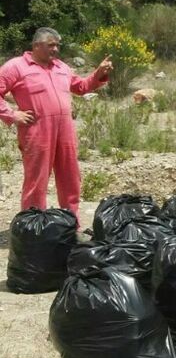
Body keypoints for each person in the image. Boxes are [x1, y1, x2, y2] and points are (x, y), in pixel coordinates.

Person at [0, 28, 113, 219]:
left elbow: (81, 87)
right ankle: (33, 226)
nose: (56, 49)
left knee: (70, 178)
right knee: (37, 180)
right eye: (51, 45)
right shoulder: (16, 67)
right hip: (37, 131)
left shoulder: (61, 67)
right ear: (36, 45)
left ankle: (70, 224)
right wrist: (12, 114)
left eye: (57, 45)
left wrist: (99, 73)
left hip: (65, 131)